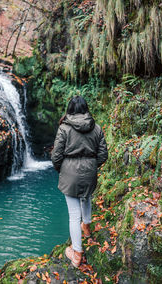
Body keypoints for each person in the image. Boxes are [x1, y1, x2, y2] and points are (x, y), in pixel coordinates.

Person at [51, 96, 108, 267]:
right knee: (87, 196)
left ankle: (77, 254)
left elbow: (56, 155)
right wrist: (91, 165)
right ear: (86, 109)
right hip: (90, 171)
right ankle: (88, 226)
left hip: (70, 172)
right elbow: (103, 154)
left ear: (70, 109)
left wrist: (62, 168)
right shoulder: (96, 127)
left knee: (73, 216)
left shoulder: (64, 128)